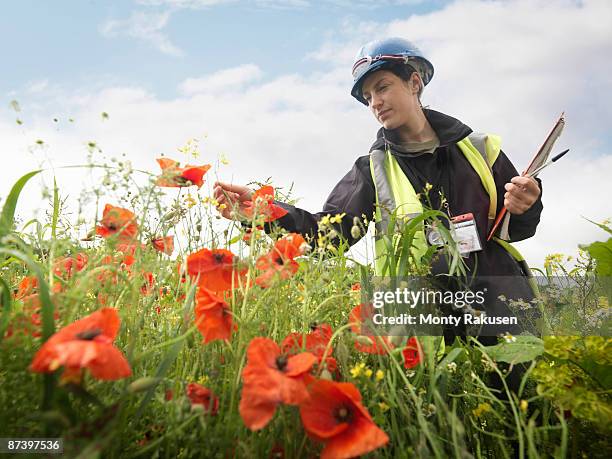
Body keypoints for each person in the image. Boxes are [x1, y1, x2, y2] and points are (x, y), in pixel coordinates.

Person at [213, 37, 543, 340]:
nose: (375, 102)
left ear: (414, 83)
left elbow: (517, 228)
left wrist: (527, 203)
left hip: (503, 302)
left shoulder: (480, 149)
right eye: (369, 97)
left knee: (524, 403)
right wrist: (259, 210)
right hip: (426, 319)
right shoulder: (372, 169)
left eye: (382, 87)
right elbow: (328, 234)